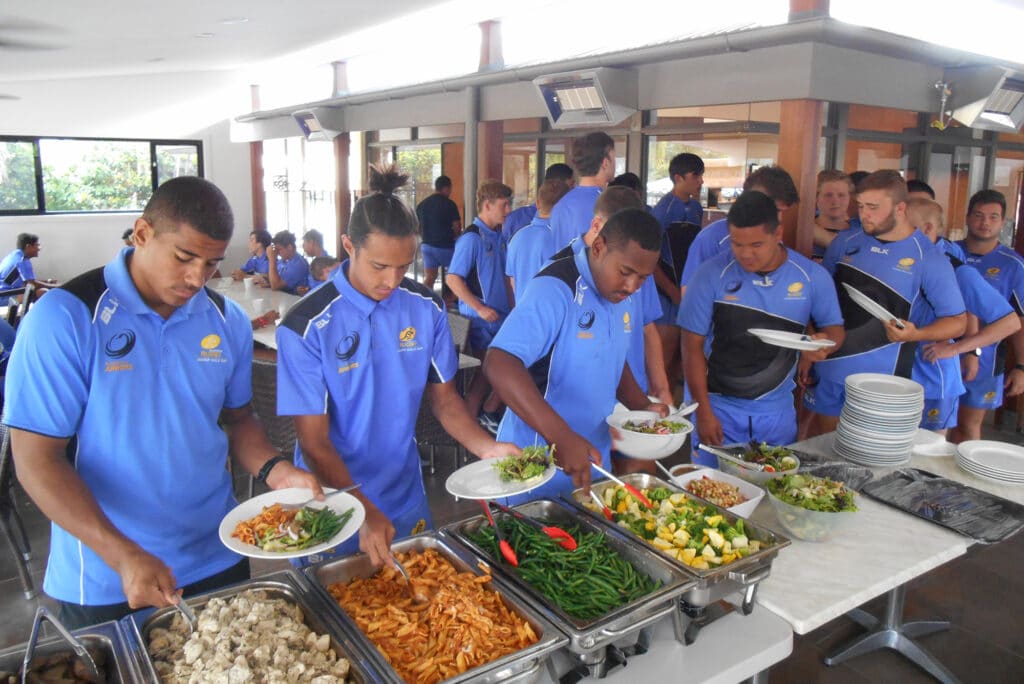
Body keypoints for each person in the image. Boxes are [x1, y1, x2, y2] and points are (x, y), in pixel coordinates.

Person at [4, 176, 322, 628]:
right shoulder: (66, 317)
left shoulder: (225, 320)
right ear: (142, 233)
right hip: (108, 574)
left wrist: (276, 470)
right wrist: (123, 554)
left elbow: (238, 420)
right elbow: (35, 461)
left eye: (212, 263)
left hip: (220, 553)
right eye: (184, 257)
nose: (197, 277)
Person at [276, 166, 517, 567]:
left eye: (404, 266)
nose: (392, 281)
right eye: (379, 266)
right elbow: (314, 442)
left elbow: (445, 401)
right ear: (348, 246)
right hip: (332, 503)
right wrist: (361, 508)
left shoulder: (425, 306)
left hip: (404, 495)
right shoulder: (307, 325)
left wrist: (487, 447)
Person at [484, 207, 667, 499]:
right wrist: (561, 437)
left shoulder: (621, 293)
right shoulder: (555, 288)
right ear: (598, 247)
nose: (632, 286)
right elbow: (499, 362)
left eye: (643, 278)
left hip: (593, 463)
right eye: (626, 272)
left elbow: (611, 356)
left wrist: (642, 406)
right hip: (535, 467)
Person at [681, 191, 844, 458]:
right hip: (719, 408)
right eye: (737, 244)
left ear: (778, 233)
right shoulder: (709, 274)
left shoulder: (812, 276)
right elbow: (691, 347)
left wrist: (824, 345)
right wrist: (703, 411)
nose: (745, 254)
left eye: (756, 245)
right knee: (709, 495)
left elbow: (835, 330)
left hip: (777, 413)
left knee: (772, 492)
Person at [802, 170, 966, 436]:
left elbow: (958, 322)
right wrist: (811, 342)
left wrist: (917, 334)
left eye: (874, 208)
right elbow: (822, 300)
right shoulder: (845, 242)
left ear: (900, 208)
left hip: (883, 381)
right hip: (831, 367)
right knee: (821, 453)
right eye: (861, 206)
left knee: (868, 461)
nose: (864, 214)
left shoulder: (930, 258)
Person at [907, 197, 1020, 434]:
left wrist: (961, 349)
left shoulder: (956, 268)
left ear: (927, 228)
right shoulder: (903, 261)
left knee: (929, 454)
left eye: (906, 226)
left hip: (934, 375)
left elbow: (1009, 322)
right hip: (901, 370)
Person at [952, 189, 1024, 442]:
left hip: (987, 360)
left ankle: (964, 482)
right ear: (968, 217)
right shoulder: (949, 253)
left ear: (1003, 222)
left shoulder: (1012, 264)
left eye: (993, 217)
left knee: (967, 427)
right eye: (979, 215)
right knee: (935, 425)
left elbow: (1019, 322)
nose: (985, 223)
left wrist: (1021, 367)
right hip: (941, 352)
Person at [446, 179, 513, 419]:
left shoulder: (497, 236)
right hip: (481, 320)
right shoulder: (472, 238)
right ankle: (474, 419)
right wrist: (480, 308)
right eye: (504, 205)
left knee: (492, 372)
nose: (508, 210)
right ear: (487, 205)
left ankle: (483, 415)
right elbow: (453, 278)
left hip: (500, 316)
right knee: (488, 372)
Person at [680, 166, 800, 297]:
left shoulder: (774, 238)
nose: (778, 219)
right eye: (775, 210)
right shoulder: (711, 239)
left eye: (782, 212)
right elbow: (689, 293)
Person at [651, 152, 706, 394]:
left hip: (686, 292)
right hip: (667, 295)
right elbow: (651, 260)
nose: (701, 181)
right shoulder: (663, 210)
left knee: (681, 360)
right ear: (678, 177)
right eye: (696, 176)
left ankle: (672, 408)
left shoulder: (695, 208)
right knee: (663, 358)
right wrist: (672, 291)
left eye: (702, 176)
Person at [505, 178, 571, 303]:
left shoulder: (517, 237)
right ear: (566, 206)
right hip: (552, 316)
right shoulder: (564, 239)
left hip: (524, 313)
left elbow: (513, 282)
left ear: (538, 203)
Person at [548, 132, 617, 251]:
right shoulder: (611, 205)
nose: (615, 164)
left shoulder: (559, 206)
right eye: (613, 158)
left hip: (563, 268)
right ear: (605, 163)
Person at [501, 163, 575, 244]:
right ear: (557, 186)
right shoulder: (567, 225)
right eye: (571, 186)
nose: (573, 190)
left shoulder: (514, 218)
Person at [415, 175, 462, 291]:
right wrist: (455, 237)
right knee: (457, 276)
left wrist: (425, 238)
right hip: (445, 247)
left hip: (426, 246)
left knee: (430, 277)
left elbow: (418, 227)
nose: (450, 192)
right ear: (446, 188)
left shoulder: (422, 205)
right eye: (450, 189)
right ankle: (451, 302)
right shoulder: (449, 204)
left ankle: (424, 302)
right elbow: (457, 226)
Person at [812, 170, 860, 259]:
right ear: (816, 197)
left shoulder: (861, 231)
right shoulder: (801, 229)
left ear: (850, 198)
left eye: (841, 195)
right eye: (828, 195)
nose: (835, 201)